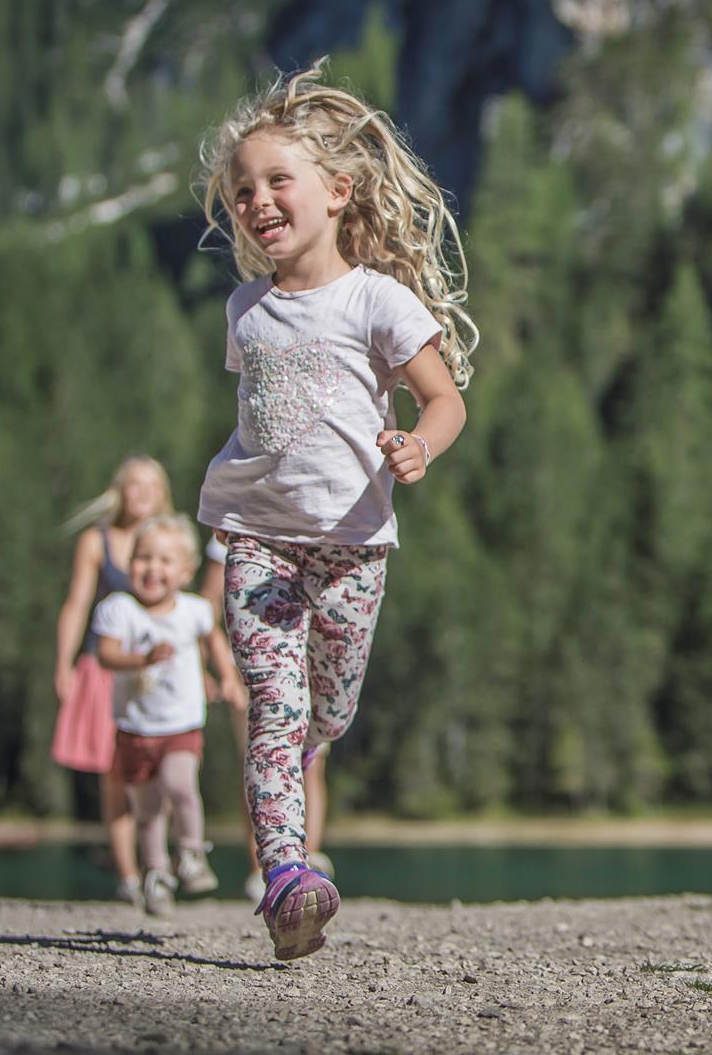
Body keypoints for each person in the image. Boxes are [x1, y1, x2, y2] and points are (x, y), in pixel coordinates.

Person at [195, 62, 474, 960]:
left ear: (337, 192)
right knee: (273, 711)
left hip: (353, 549)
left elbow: (446, 399)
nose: (258, 200)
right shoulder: (247, 310)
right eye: (244, 190)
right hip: (258, 545)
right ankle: (288, 879)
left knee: (326, 714)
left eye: (278, 181)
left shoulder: (377, 301)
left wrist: (419, 446)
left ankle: (291, 830)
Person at [93, 513, 245, 915]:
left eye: (164, 561)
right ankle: (156, 872)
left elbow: (213, 639)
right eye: (144, 558)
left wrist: (227, 677)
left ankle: (192, 852)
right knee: (147, 810)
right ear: (130, 564)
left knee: (180, 785)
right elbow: (105, 655)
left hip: (181, 724)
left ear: (184, 571)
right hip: (135, 728)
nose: (152, 568)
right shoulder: (118, 609)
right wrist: (141, 659)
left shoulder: (193, 610)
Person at [50, 455, 174, 904]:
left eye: (148, 486)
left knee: (164, 771)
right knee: (115, 774)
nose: (139, 494)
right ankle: (128, 875)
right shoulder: (96, 541)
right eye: (131, 485)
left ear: (161, 494)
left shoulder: (170, 541)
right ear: (118, 491)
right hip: (106, 668)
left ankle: (157, 864)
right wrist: (63, 662)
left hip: (160, 674)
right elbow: (76, 604)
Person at [197, 536, 333, 904]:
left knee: (312, 762)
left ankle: (307, 860)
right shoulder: (236, 515)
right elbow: (207, 604)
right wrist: (220, 668)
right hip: (255, 661)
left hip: (306, 656)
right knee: (261, 760)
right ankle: (266, 865)